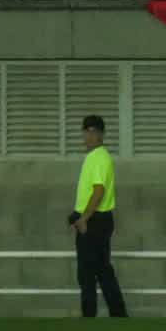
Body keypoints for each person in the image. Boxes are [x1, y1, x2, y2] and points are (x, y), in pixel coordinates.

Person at [70, 114, 128, 319]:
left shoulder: (98, 158)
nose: (89, 136)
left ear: (101, 134)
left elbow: (98, 190)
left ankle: (90, 316)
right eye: (86, 132)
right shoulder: (95, 157)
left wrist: (84, 218)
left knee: (87, 272)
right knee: (102, 270)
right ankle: (118, 314)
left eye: (93, 132)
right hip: (96, 220)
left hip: (94, 221)